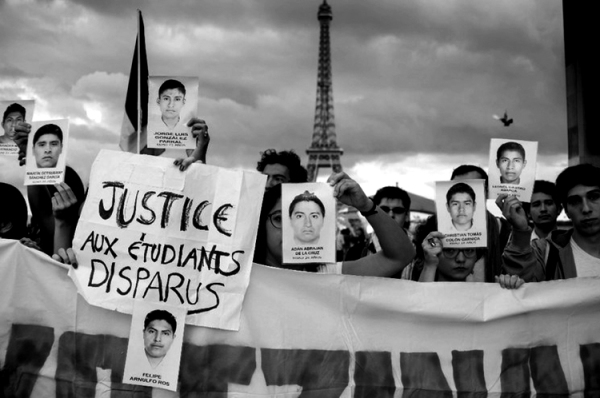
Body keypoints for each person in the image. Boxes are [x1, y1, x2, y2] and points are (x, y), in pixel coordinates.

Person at [253, 172, 415, 276]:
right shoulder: (241, 275)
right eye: (279, 219)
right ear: (262, 224)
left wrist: (366, 205)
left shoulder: (327, 274)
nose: (292, 229)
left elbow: (401, 256)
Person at [500, 164, 600, 281]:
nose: (586, 209)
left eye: (594, 197)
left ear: (559, 209)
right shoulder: (545, 252)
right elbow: (521, 282)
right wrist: (520, 231)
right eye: (575, 201)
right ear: (566, 210)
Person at [413, 215, 524, 288]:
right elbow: (419, 307)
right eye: (450, 250)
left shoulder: (489, 295)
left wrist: (509, 290)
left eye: (469, 250)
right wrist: (430, 264)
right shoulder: (418, 288)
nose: (461, 259)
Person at [450, 165, 511, 282]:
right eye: (456, 189)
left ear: (486, 192)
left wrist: (521, 230)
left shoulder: (505, 231)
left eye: (471, 188)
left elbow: (521, 272)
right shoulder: (436, 229)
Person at [344, 186, 412, 263]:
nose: (390, 215)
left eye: (398, 210)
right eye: (384, 209)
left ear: (407, 216)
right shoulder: (355, 253)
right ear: (374, 213)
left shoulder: (423, 253)